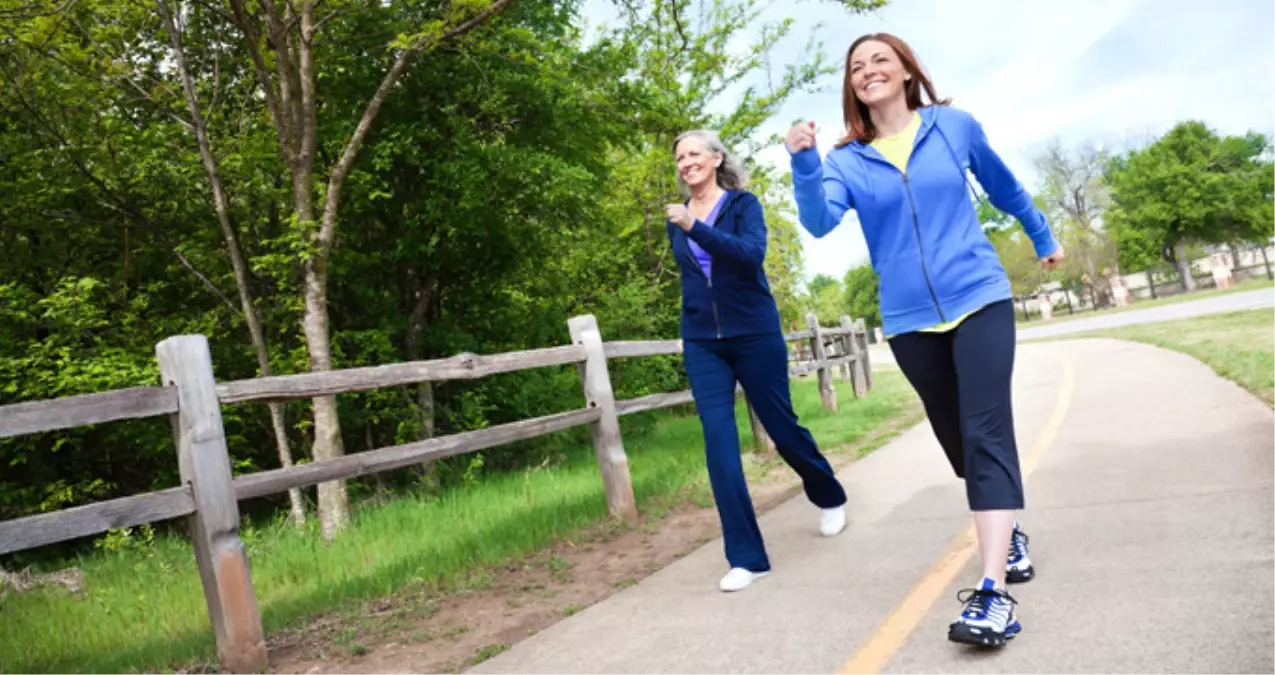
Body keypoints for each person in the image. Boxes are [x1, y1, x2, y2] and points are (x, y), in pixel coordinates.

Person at [784, 33, 1064, 647]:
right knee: (956, 436)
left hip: (979, 296)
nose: (868, 71)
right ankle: (1007, 526)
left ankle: (993, 594)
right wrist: (804, 162)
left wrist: (1041, 235)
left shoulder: (953, 126)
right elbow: (819, 220)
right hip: (910, 319)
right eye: (857, 67)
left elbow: (1004, 186)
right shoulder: (846, 162)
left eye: (880, 60)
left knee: (987, 429)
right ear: (851, 88)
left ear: (908, 71)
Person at [665, 129, 849, 593]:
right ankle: (747, 557)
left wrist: (695, 227)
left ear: (715, 158)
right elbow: (693, 280)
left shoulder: (743, 205)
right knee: (719, 445)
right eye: (679, 157)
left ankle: (828, 493)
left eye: (694, 154)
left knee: (782, 427)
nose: (686, 162)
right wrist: (690, 330)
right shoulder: (677, 217)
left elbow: (750, 257)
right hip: (704, 343)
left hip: (755, 335)